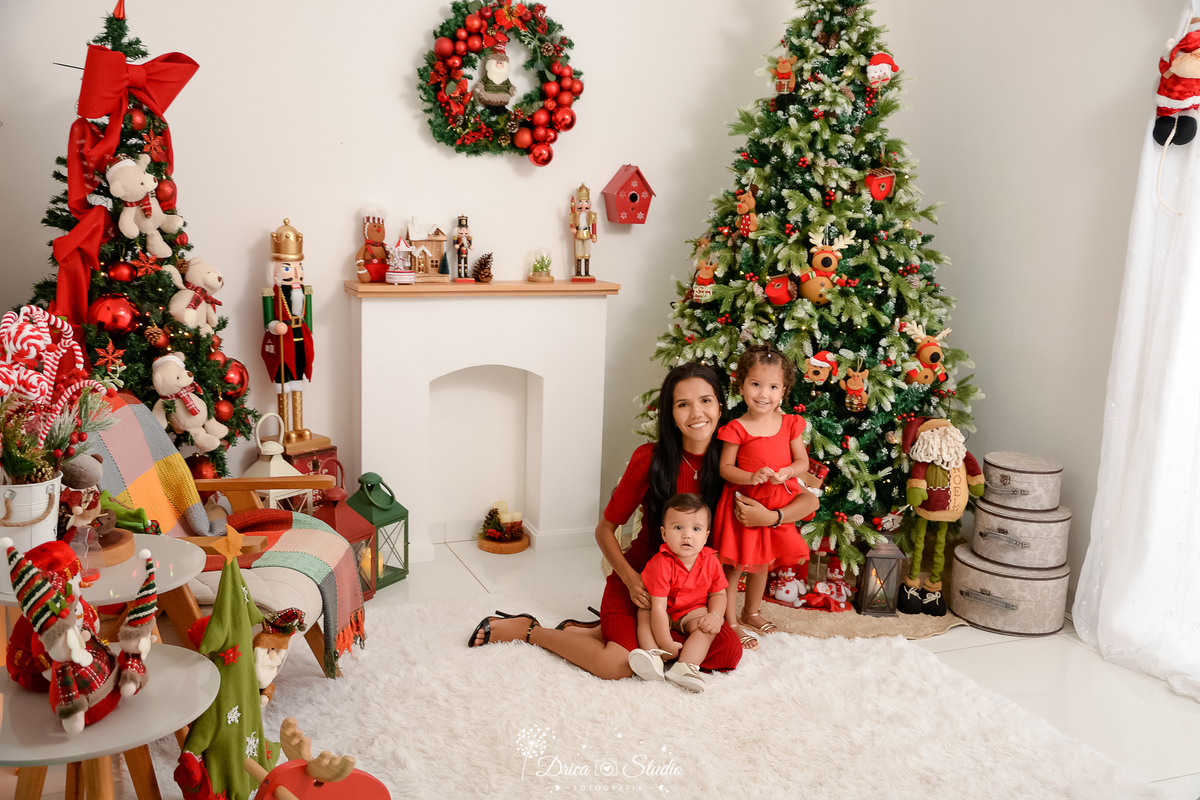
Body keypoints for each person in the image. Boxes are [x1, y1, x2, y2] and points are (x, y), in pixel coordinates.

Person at [468, 361, 817, 676]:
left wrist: (772, 517)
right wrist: (631, 579)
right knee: (615, 665)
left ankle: (606, 631)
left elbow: (808, 499)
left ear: (721, 406)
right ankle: (530, 631)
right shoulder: (649, 459)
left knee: (726, 651)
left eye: (706, 400)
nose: (697, 413)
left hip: (694, 595)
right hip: (644, 583)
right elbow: (605, 529)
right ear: (671, 413)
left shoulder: (737, 460)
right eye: (683, 404)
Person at [712, 344, 818, 646]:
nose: (763, 394)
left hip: (775, 503)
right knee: (734, 566)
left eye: (772, 387)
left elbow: (802, 462)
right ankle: (728, 620)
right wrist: (750, 476)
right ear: (741, 385)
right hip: (742, 508)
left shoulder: (790, 425)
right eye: (755, 384)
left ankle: (752, 612)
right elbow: (725, 469)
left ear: (783, 391)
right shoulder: (737, 428)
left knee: (763, 563)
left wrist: (789, 472)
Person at [628, 493, 727, 692]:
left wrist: (716, 616)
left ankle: (686, 666)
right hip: (661, 610)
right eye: (678, 527)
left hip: (692, 610)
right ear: (664, 534)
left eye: (696, 529)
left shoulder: (711, 560)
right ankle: (652, 656)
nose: (687, 535)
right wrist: (665, 642)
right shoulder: (661, 563)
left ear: (706, 535)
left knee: (707, 628)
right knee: (644, 613)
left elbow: (719, 594)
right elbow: (658, 607)